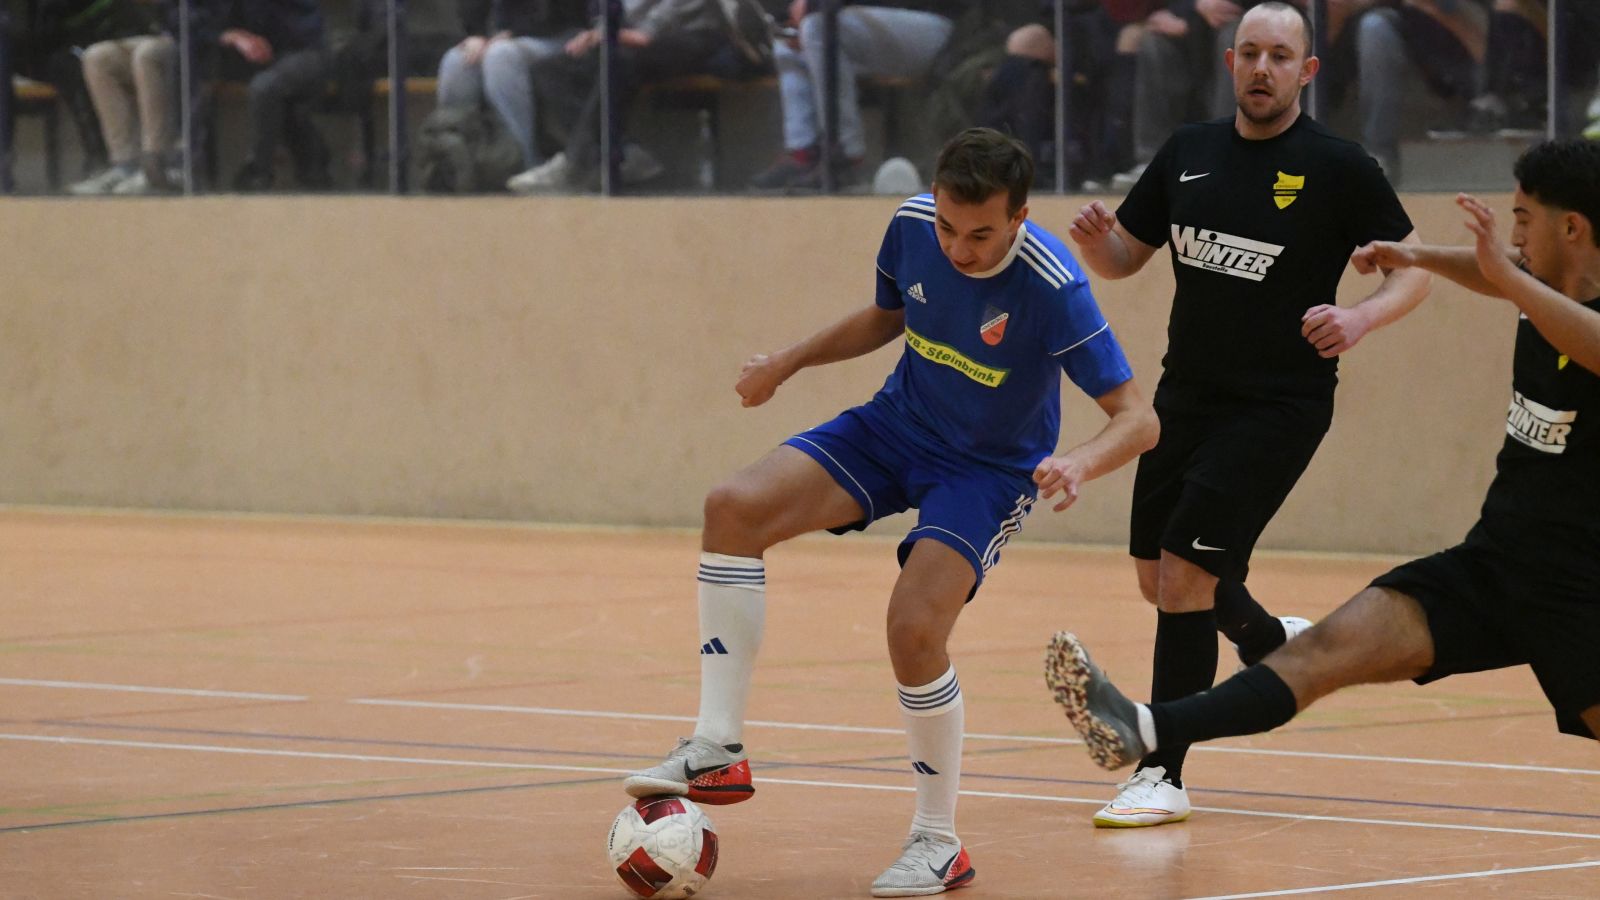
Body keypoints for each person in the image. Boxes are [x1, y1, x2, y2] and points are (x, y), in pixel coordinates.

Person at [623, 127, 1158, 897]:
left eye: (980, 234)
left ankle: (938, 842)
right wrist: (786, 362)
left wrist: (1078, 462)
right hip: (895, 427)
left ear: (1019, 217)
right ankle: (717, 747)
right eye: (947, 226)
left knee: (913, 629)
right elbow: (887, 315)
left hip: (986, 471)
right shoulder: (910, 226)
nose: (958, 249)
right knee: (732, 508)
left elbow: (1138, 419)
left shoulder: (1054, 286)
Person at [1048, 139, 1600, 774]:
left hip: (1583, 588)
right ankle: (1144, 729)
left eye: (1523, 220)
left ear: (1572, 227)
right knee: (1322, 650)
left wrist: (1508, 278)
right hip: (1495, 565)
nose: (1514, 238)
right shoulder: (1536, 280)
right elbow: (1495, 270)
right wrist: (1416, 255)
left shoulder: (1544, 295)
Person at [1065, 1, 1431, 828]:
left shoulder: (1338, 166)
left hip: (1279, 404)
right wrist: (1097, 246)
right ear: (1230, 61)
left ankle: (1162, 771)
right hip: (1184, 397)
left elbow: (1412, 271)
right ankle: (1266, 639)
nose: (1263, 69)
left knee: (1184, 576)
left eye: (1281, 57)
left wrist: (1360, 318)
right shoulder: (1188, 152)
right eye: (1251, 53)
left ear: (1308, 72)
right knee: (1157, 579)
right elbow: (1126, 256)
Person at [505, 0, 726, 193]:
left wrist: (645, 31)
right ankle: (623, 154)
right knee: (549, 70)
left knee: (617, 62)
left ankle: (575, 163)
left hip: (688, 32)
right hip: (627, 37)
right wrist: (599, 32)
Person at [748, 1, 961, 192]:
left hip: (935, 26)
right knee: (788, 38)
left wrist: (812, 6)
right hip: (868, 24)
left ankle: (845, 157)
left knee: (817, 28)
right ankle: (803, 154)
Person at [434, 0, 586, 173]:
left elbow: (564, 11)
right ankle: (456, 165)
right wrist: (477, 34)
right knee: (457, 62)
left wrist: (514, 32)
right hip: (506, 35)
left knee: (501, 57)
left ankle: (523, 165)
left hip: (563, 33)